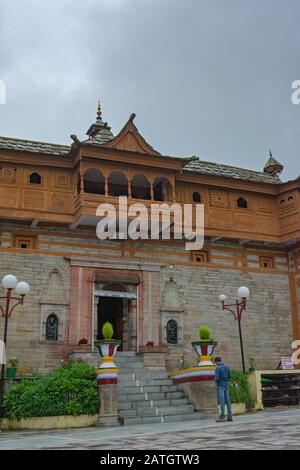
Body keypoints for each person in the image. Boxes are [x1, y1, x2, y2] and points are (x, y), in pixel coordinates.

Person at [214, 356, 233, 422]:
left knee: (222, 401)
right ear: (221, 360)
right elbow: (229, 377)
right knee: (228, 401)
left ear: (216, 362)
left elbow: (217, 378)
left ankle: (222, 416)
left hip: (220, 386)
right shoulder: (227, 367)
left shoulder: (218, 368)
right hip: (226, 385)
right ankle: (230, 416)